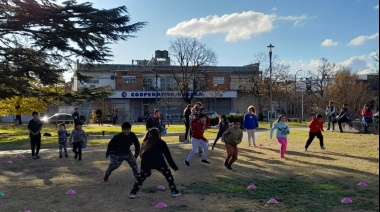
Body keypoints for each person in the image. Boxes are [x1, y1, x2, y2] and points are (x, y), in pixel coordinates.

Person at [129, 128, 181, 199]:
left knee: (140, 179)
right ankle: (174, 191)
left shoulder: (145, 142)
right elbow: (168, 156)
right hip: (159, 162)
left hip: (146, 164)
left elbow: (142, 156)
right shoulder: (161, 142)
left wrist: (145, 170)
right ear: (158, 135)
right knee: (169, 177)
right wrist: (174, 166)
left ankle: (133, 192)